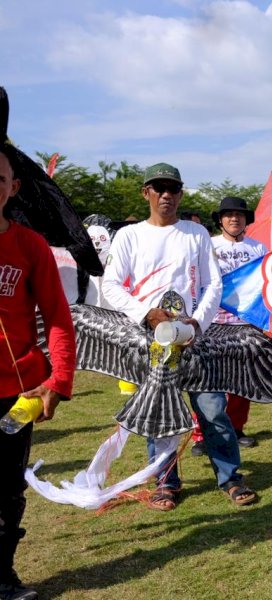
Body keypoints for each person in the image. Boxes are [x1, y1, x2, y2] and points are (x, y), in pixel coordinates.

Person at [102, 163, 257, 510]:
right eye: (159, 188)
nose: (166, 195)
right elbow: (111, 284)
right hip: (151, 342)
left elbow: (212, 283)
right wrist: (146, 313)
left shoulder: (195, 233)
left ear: (181, 194)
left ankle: (230, 477)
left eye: (173, 189)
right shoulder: (129, 235)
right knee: (161, 416)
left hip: (194, 340)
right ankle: (166, 482)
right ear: (146, 193)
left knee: (214, 409)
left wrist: (198, 323)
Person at [0, 144, 76, 600]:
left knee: (7, 492)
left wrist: (58, 380)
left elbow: (59, 318)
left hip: (17, 394)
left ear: (12, 188)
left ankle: (3, 575)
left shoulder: (31, 246)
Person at [190, 197, 266, 456]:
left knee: (242, 382)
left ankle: (236, 427)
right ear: (220, 220)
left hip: (246, 324)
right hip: (212, 323)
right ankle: (201, 434)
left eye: (239, 215)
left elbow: (265, 285)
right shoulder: (208, 246)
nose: (234, 219)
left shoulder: (259, 248)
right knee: (208, 382)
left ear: (246, 220)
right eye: (229, 215)